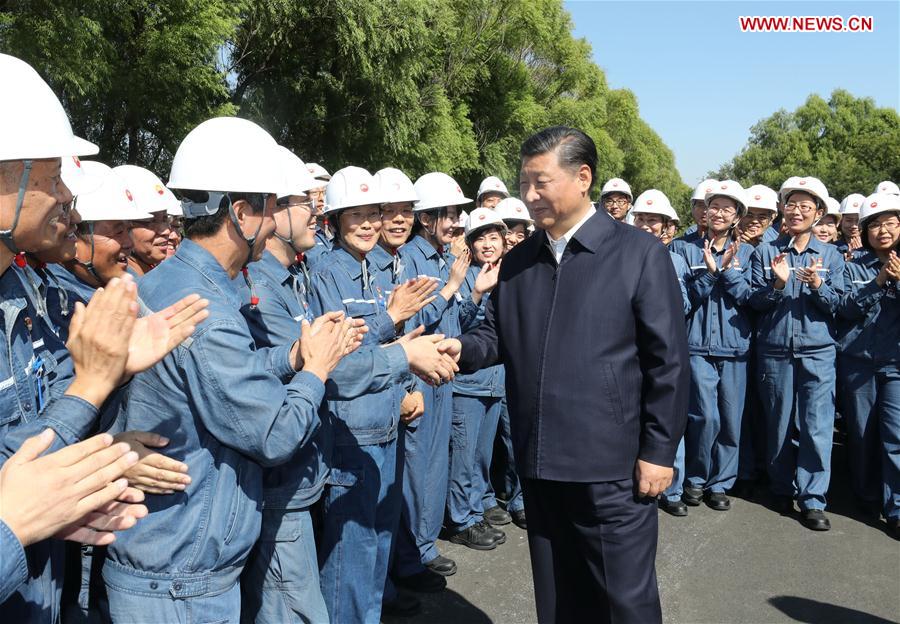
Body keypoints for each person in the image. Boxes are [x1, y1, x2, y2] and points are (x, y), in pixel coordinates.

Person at [102, 117, 359, 623]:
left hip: (171, 559)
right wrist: (317, 371)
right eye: (269, 206)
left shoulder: (176, 282)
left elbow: (214, 377)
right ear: (240, 213)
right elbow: (272, 434)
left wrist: (288, 359)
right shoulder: (208, 309)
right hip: (178, 579)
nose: (275, 221)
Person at [442, 126, 689, 623]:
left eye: (541, 182)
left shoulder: (639, 254)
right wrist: (459, 348)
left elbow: (668, 362)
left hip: (612, 468)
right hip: (539, 461)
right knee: (558, 598)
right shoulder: (518, 263)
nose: (529, 196)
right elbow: (498, 336)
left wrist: (659, 451)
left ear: (582, 178)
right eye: (524, 183)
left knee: (625, 601)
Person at [0, 52, 204, 623]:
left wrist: (99, 441)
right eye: (49, 174)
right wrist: (93, 386)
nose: (68, 193)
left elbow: (21, 446)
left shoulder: (19, 293)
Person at [310, 166, 444, 623]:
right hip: (350, 434)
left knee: (378, 543)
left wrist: (408, 385)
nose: (368, 224)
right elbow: (340, 359)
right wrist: (390, 317)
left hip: (385, 422)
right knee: (352, 552)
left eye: (374, 214)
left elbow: (398, 344)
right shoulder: (327, 275)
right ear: (333, 221)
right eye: (357, 216)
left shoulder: (372, 270)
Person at [749, 176, 845, 531]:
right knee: (777, 422)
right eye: (791, 205)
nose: (797, 212)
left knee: (817, 426)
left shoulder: (831, 255)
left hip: (818, 351)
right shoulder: (766, 251)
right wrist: (776, 284)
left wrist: (818, 285)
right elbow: (753, 301)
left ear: (818, 214)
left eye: (806, 207)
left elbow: (840, 305)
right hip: (775, 350)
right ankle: (779, 486)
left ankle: (813, 498)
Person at [392, 171, 471, 589]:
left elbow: (457, 318)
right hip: (420, 371)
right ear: (427, 218)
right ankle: (410, 557)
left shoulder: (443, 256)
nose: (456, 222)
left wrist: (468, 293)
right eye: (450, 214)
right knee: (416, 464)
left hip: (444, 370)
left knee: (436, 459)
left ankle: (424, 544)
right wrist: (450, 288)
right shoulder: (411, 259)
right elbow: (413, 321)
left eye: (458, 214)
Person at [676, 181, 755, 513]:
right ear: (703, 212)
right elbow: (679, 301)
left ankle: (721, 483)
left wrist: (728, 273)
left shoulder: (749, 253)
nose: (719, 213)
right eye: (714, 207)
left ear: (737, 216)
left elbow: (754, 300)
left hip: (735, 347)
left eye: (727, 208)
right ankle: (696, 477)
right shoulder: (681, 249)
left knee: (729, 419)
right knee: (704, 416)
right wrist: (709, 275)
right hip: (696, 345)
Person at [837, 192, 900, 538]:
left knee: (895, 435)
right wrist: (879, 283)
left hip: (895, 364)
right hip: (857, 361)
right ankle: (865, 494)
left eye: (889, 223)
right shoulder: (854, 263)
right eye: (874, 225)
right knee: (861, 434)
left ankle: (896, 508)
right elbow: (844, 306)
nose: (883, 231)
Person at [446, 207, 510, 549]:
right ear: (470, 244)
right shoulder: (464, 274)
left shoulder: (511, 271)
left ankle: (473, 509)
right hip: (468, 383)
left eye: (493, 237)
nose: (487, 244)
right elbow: (458, 326)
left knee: (481, 456)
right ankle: (460, 519)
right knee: (463, 454)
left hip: (494, 383)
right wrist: (477, 292)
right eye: (480, 238)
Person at [628, 189, 692, 517]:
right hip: (629, 356)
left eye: (653, 220)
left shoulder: (676, 260)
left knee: (666, 417)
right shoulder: (619, 254)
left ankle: (673, 488)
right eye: (641, 218)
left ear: (666, 225)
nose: (646, 225)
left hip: (661, 351)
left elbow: (682, 305)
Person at [113, 165, 177, 277]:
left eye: (165, 219)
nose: (166, 231)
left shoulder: (150, 276)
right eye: (151, 221)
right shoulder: (126, 287)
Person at [671, 178, 717, 252]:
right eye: (700, 205)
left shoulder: (732, 247)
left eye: (710, 206)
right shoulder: (677, 246)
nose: (705, 211)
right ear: (692, 208)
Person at [837, 193, 866, 259]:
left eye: (858, 221)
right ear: (841, 221)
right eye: (849, 220)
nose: (854, 226)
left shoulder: (875, 247)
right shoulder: (833, 248)